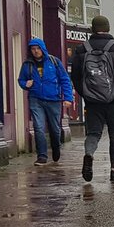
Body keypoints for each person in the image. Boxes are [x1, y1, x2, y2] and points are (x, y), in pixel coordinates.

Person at [70, 15, 114, 183]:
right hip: (113, 100)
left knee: (93, 133)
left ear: (93, 29)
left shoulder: (81, 49)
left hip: (92, 101)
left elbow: (76, 78)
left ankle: (89, 154)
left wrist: (86, 94)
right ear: (108, 29)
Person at [17, 38, 74, 166]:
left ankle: (56, 147)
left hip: (53, 99)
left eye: (38, 49)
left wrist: (68, 98)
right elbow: (21, 80)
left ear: (43, 49)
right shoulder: (27, 65)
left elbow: (65, 79)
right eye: (33, 49)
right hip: (35, 99)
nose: (36, 51)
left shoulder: (54, 62)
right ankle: (42, 156)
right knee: (38, 127)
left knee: (55, 129)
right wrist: (25, 84)